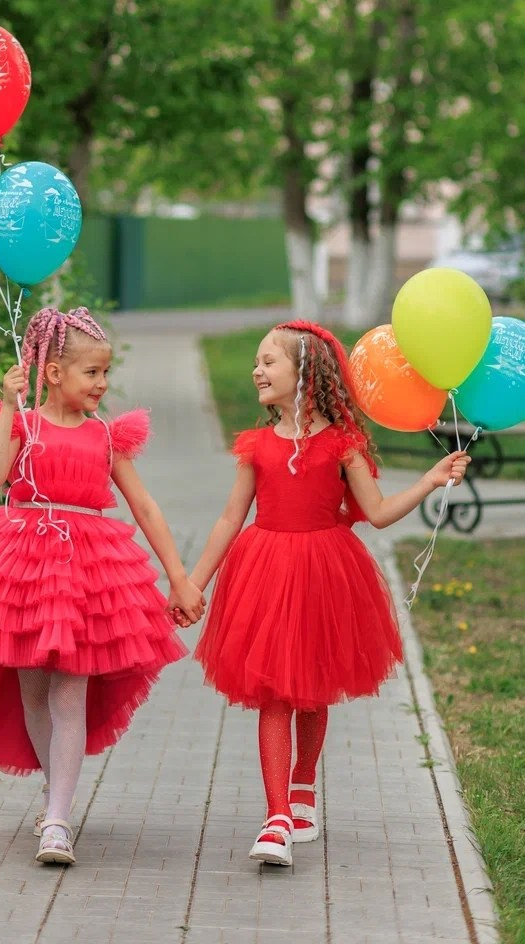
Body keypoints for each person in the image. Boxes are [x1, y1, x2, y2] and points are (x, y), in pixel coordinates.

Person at [0, 305, 205, 867]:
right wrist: (7, 406)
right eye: (91, 373)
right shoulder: (23, 424)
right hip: (24, 567)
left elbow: (143, 506)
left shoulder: (105, 435)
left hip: (84, 572)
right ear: (52, 373)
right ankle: (58, 794)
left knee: (70, 690)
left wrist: (178, 577)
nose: (102, 384)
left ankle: (56, 820)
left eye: (105, 373)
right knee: (33, 691)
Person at [185, 320, 469, 868]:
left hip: (323, 571)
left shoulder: (343, 445)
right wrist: (194, 582)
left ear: (305, 373)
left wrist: (430, 480)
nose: (256, 370)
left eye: (268, 361)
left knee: (311, 688)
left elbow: (379, 514)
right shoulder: (257, 446)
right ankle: (275, 820)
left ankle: (303, 786)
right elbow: (227, 519)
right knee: (273, 691)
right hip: (265, 571)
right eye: (257, 362)